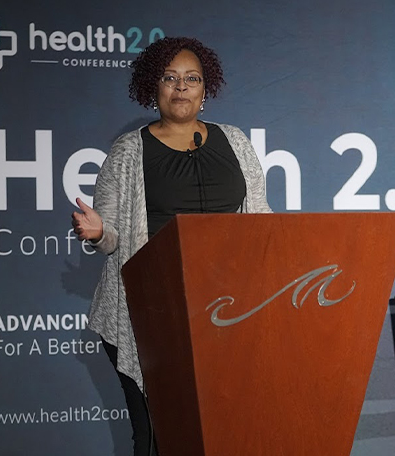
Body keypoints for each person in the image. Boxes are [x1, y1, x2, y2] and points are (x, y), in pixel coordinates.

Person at [71, 36, 272, 456]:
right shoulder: (129, 151)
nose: (181, 87)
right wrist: (98, 231)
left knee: (219, 432)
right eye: (170, 78)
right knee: (157, 435)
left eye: (192, 78)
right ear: (153, 86)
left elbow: (260, 218)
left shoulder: (234, 141)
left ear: (205, 89)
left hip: (224, 310)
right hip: (150, 312)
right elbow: (112, 237)